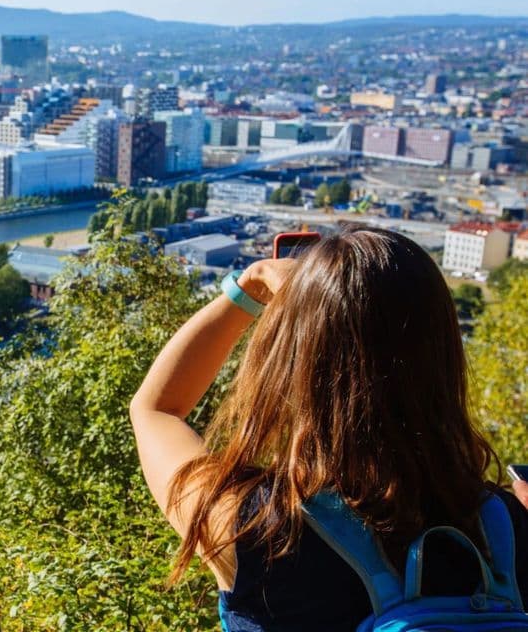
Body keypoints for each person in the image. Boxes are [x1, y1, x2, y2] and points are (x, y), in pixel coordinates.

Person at [129, 225, 528, 630]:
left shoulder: (258, 529)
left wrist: (244, 291)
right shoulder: (507, 528)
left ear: (300, 364)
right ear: (442, 359)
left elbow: (156, 409)